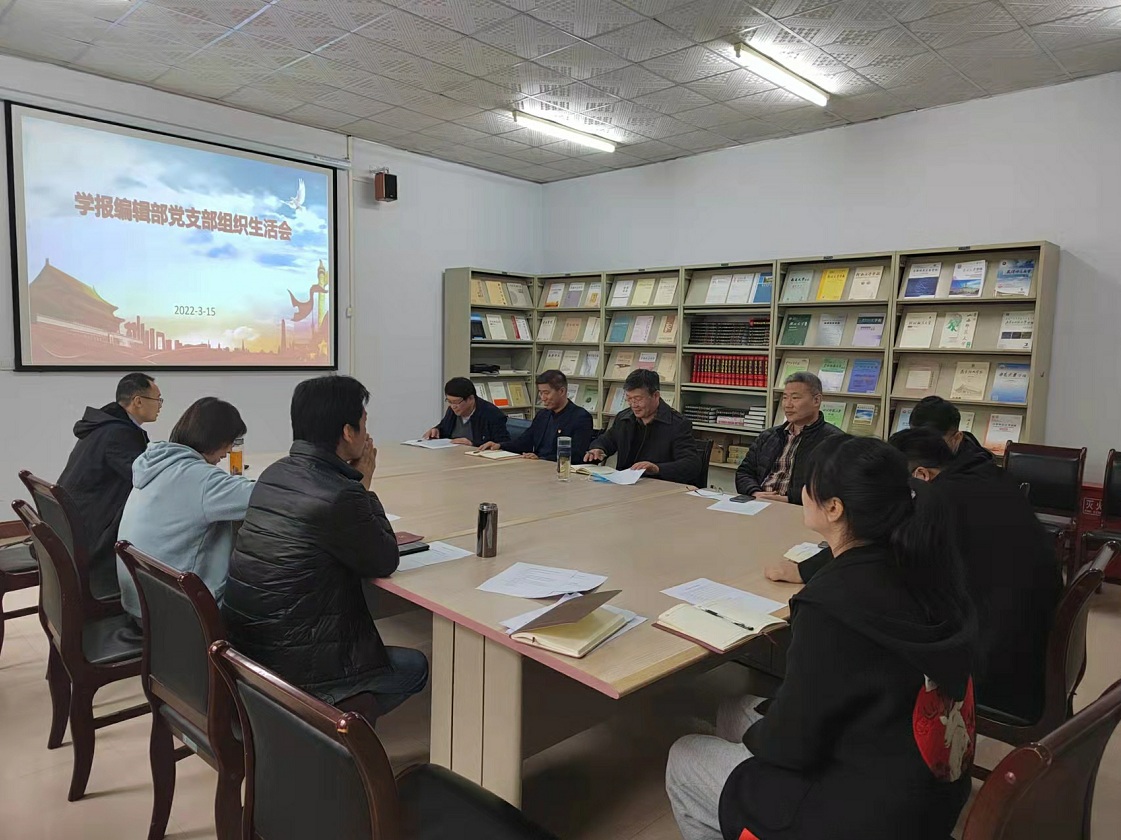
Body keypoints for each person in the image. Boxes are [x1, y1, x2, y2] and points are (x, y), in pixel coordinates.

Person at [668, 435, 976, 840]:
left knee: (684, 755)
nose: (801, 491)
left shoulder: (831, 604)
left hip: (864, 815)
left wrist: (762, 741)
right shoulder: (923, 563)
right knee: (731, 709)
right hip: (927, 784)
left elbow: (792, 746)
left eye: (808, 484)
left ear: (834, 508)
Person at [223, 375, 428, 720]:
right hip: (297, 669)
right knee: (416, 666)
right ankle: (325, 724)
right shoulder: (340, 494)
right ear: (348, 432)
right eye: (364, 423)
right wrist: (363, 484)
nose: (367, 433)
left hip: (248, 648)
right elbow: (384, 559)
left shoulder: (274, 473)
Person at [889, 427, 1061, 721]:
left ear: (921, 476)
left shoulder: (942, 500)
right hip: (1032, 640)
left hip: (997, 662)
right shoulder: (988, 475)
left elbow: (898, 558)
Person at [117, 398, 254, 626]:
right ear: (215, 438)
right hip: (178, 615)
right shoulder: (200, 479)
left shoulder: (155, 464)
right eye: (230, 442)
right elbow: (265, 497)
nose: (230, 450)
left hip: (140, 603)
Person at [58, 372, 162, 599]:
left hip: (73, 519)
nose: (160, 406)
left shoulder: (106, 425)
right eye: (158, 400)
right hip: (91, 530)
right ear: (138, 401)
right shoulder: (118, 433)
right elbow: (143, 478)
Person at [734, 371, 842, 503]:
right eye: (785, 397)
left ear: (816, 400)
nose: (787, 404)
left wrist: (787, 499)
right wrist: (755, 492)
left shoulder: (835, 442)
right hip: (757, 501)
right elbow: (744, 472)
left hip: (799, 507)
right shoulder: (769, 436)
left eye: (795, 398)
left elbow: (833, 487)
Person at [584, 369, 700, 484]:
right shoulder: (624, 418)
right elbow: (607, 440)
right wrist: (598, 449)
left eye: (638, 399)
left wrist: (657, 468)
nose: (633, 405)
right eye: (629, 399)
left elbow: (691, 465)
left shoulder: (678, 424)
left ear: (655, 395)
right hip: (624, 486)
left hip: (658, 487)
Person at [477, 370, 592, 463]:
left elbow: (576, 454)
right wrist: (499, 445)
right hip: (537, 465)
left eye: (546, 393)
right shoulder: (543, 415)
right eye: (540, 393)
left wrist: (541, 459)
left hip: (558, 468)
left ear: (561, 391)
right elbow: (524, 441)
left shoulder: (580, 417)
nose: (543, 398)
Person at [421, 377, 510, 447]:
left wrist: (472, 443)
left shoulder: (491, 414)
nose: (453, 406)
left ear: (471, 399)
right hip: (452, 456)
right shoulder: (452, 410)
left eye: (456, 402)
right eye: (449, 401)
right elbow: (444, 428)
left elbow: (503, 444)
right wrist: (436, 430)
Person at [909, 395, 993, 464]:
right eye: (916, 439)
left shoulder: (979, 470)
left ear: (957, 438)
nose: (923, 449)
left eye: (932, 443)